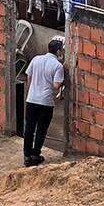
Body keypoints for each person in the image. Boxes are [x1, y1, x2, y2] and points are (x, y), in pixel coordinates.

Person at [23, 38, 65, 167]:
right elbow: (56, 85)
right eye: (62, 49)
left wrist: (31, 91)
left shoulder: (36, 59)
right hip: (45, 102)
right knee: (41, 129)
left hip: (32, 99)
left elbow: (29, 76)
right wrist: (64, 80)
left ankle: (27, 155)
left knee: (29, 128)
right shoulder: (58, 66)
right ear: (58, 51)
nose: (63, 51)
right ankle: (36, 154)